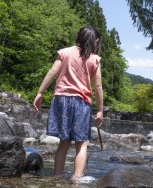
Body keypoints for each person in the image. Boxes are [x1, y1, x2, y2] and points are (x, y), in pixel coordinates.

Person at [32, 26, 104, 180]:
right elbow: (98, 86)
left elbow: (52, 72)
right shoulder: (94, 59)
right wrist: (100, 110)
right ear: (94, 41)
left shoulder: (64, 52)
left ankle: (57, 177)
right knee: (81, 143)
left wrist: (40, 93)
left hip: (61, 99)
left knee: (63, 143)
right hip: (81, 101)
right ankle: (77, 179)